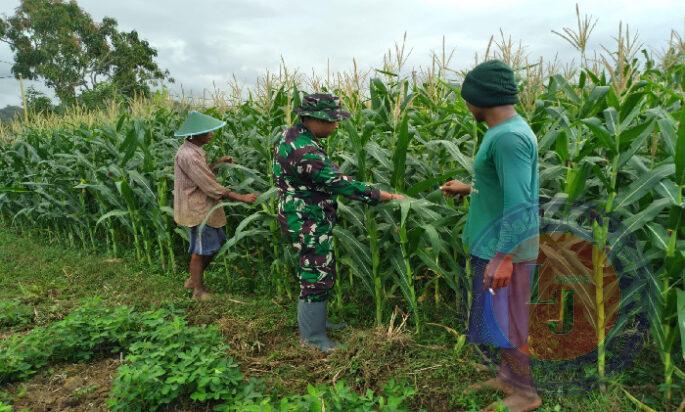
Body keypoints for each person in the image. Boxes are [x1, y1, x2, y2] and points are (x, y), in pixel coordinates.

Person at [441, 60, 541, 412]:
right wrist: (470, 188)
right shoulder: (502, 133)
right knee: (499, 318)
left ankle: (525, 394)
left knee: (510, 320)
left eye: (468, 98)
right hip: (494, 243)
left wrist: (504, 257)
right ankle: (507, 377)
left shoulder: (509, 138)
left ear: (480, 99)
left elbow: (520, 201)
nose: (466, 105)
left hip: (506, 248)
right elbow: (505, 186)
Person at [273, 93, 404, 353]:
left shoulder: (293, 136)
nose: (335, 126)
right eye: (331, 121)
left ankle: (316, 322)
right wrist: (379, 194)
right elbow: (336, 182)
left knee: (313, 269)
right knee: (316, 273)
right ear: (312, 119)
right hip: (307, 218)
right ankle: (312, 338)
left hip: (300, 214)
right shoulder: (305, 149)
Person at [173, 111, 259, 301]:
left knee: (214, 245)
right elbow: (207, 184)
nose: (212, 134)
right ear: (195, 134)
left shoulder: (194, 151)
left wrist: (218, 163)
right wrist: (241, 197)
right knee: (200, 249)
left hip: (204, 206)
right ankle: (197, 290)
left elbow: (202, 175)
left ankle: (193, 280)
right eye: (208, 131)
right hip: (197, 208)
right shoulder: (189, 155)